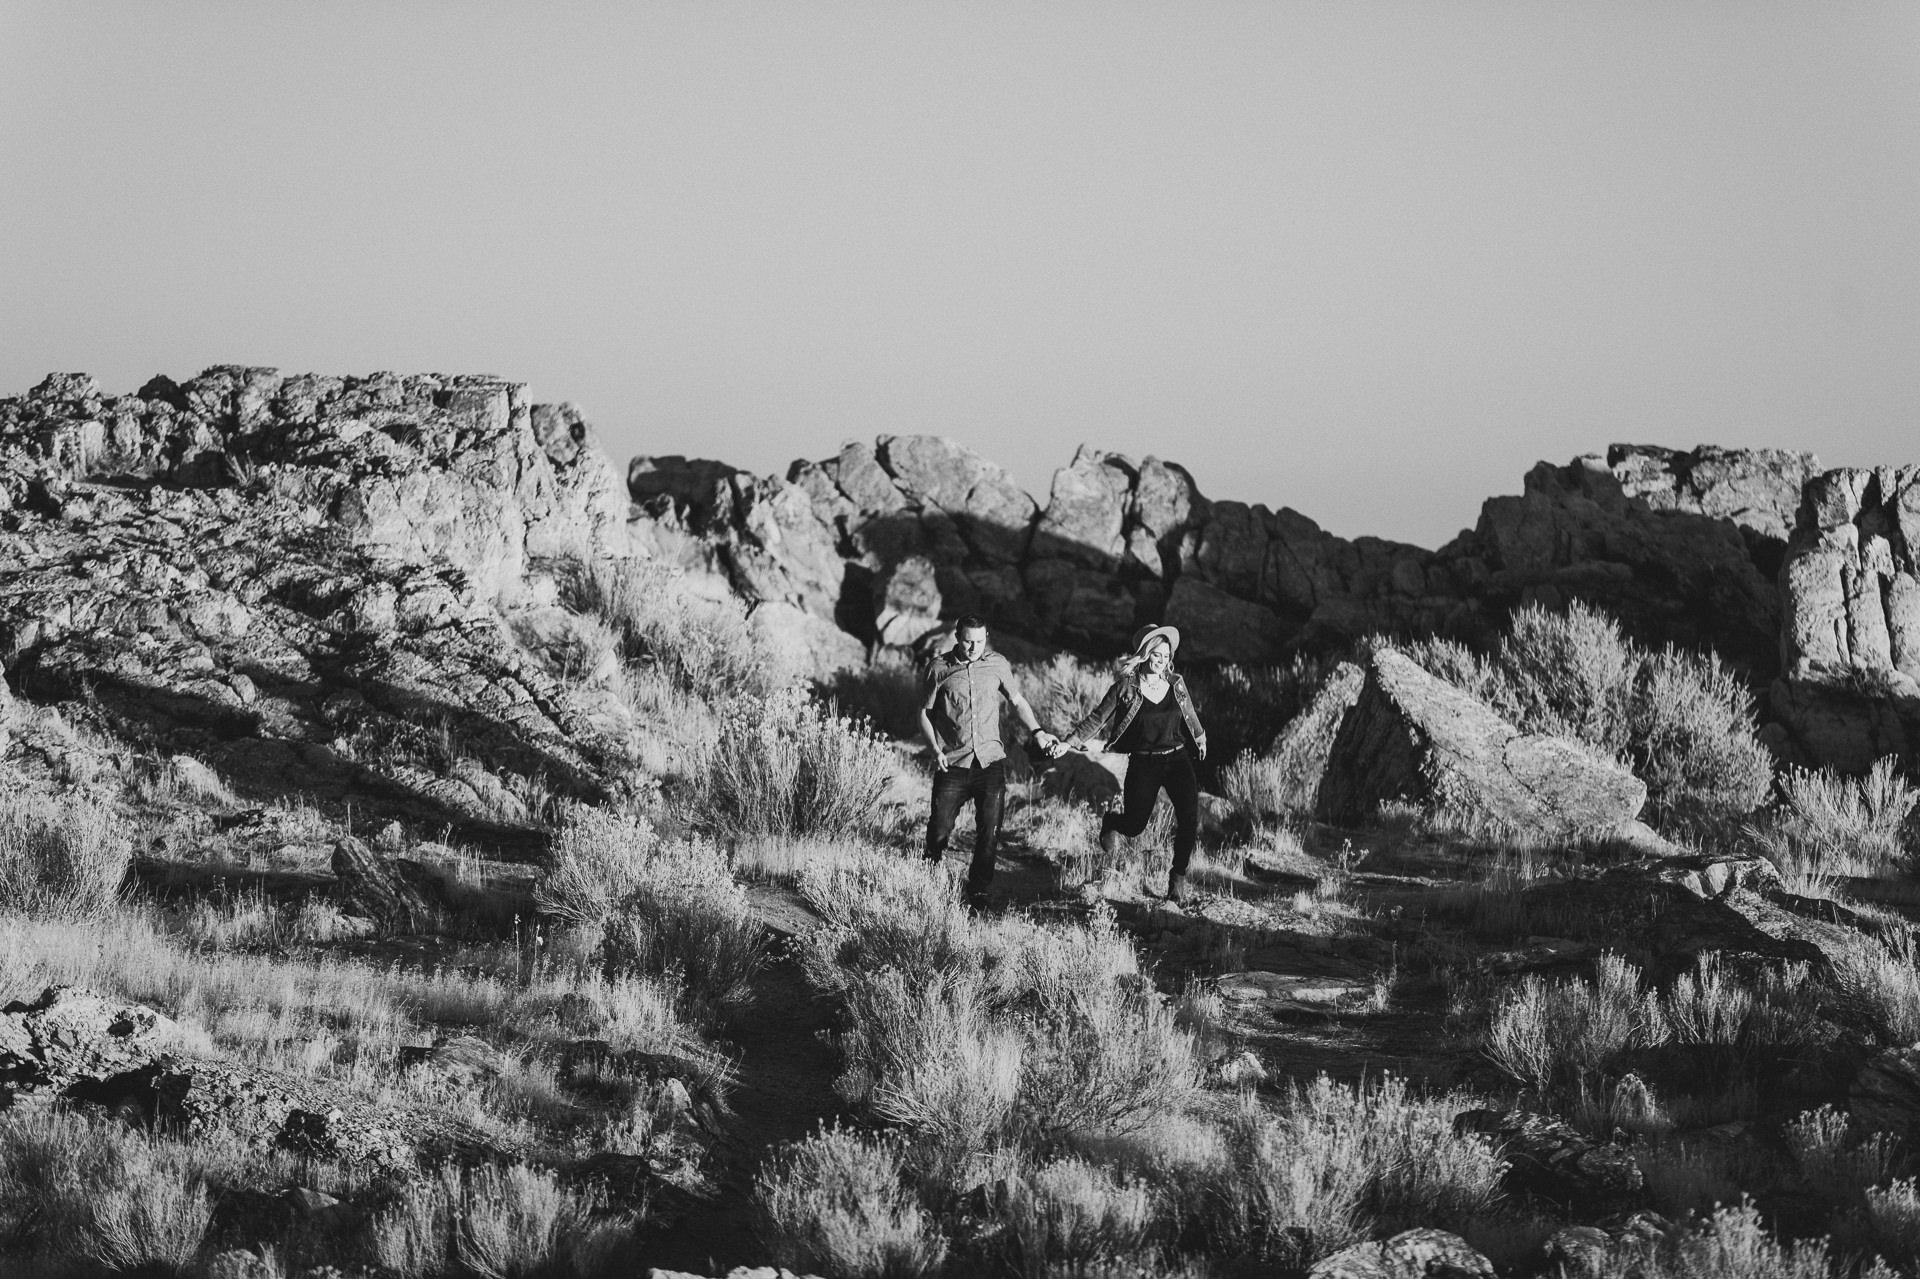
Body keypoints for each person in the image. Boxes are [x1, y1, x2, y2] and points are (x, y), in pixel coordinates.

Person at [1049, 624, 1207, 902]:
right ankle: (1111, 821)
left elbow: (1188, 711)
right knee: (1135, 825)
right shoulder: (1125, 687)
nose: (1162, 661)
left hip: (1178, 758)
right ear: (1144, 654)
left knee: (1189, 820)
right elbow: (1098, 719)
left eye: (1167, 655)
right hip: (1145, 763)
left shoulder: (1175, 682)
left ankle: (1177, 880)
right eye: (1157, 655)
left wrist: (1200, 736)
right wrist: (1069, 742)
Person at [918, 615, 1057, 908]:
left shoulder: (997, 664)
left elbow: (1017, 701)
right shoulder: (939, 668)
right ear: (957, 636)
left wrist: (1038, 732)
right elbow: (924, 713)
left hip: (990, 763)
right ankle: (927, 881)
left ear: (986, 637)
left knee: (989, 832)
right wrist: (935, 749)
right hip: (952, 764)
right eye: (968, 641)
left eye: (980, 641)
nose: (974, 647)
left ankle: (978, 891)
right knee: (939, 830)